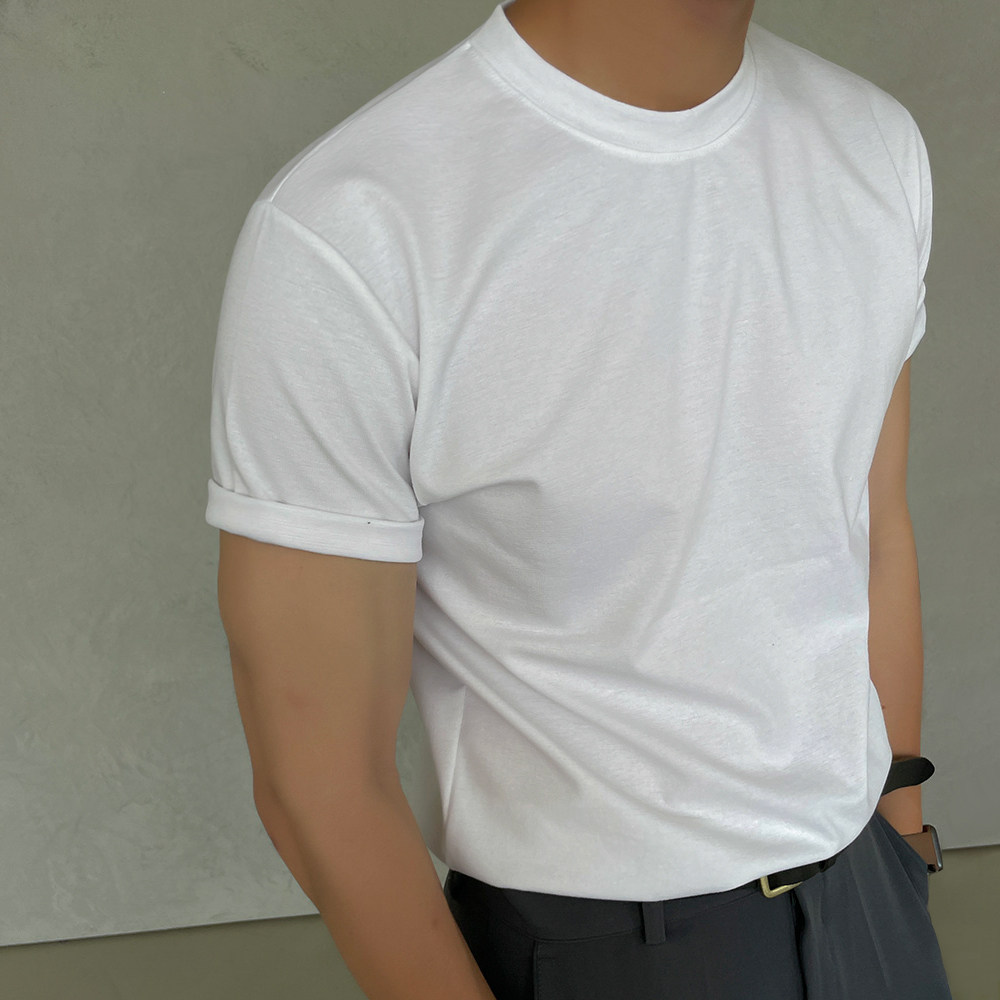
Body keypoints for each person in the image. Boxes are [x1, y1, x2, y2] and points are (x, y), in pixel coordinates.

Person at [206, 1, 953, 997]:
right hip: (609, 944)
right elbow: (317, 780)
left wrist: (902, 840)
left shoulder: (872, 143)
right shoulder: (356, 224)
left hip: (871, 897)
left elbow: (869, 532)